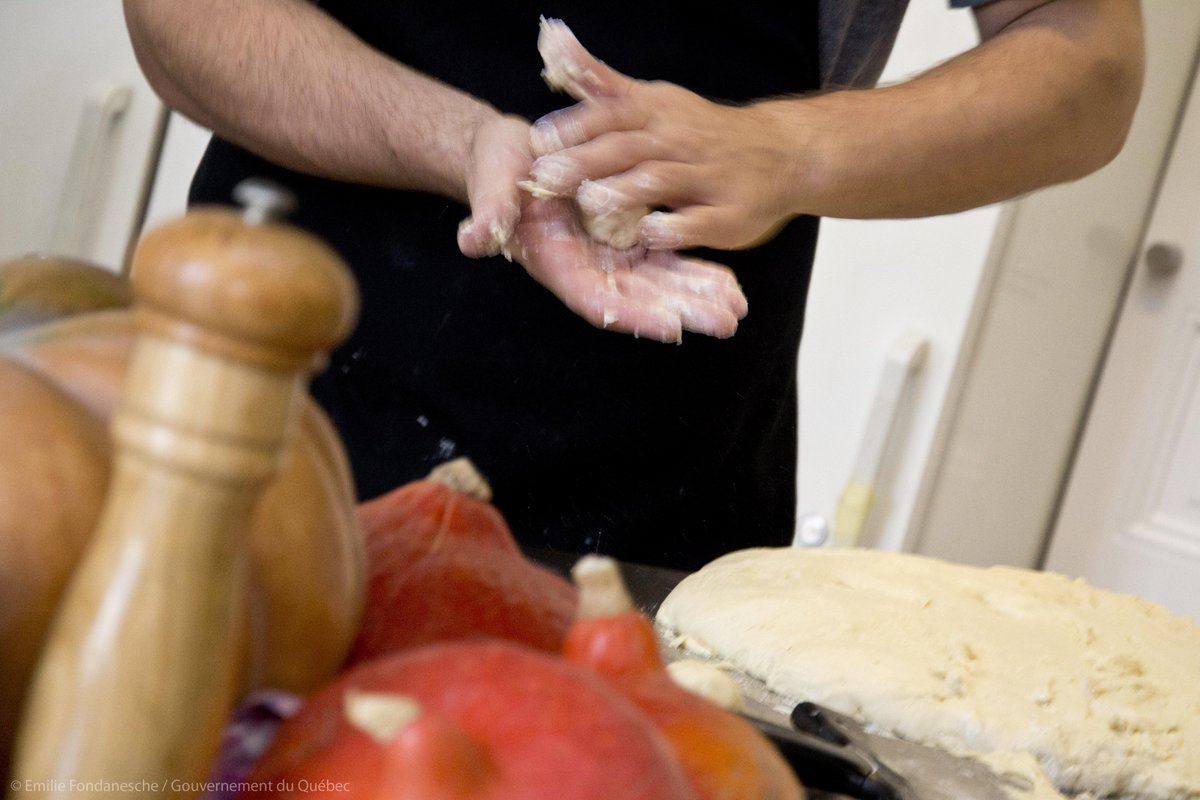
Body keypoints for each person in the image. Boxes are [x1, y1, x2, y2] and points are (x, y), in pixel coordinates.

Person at [122, 1, 1143, 571]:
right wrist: (460, 142)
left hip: (644, 510)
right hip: (243, 424)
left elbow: (1090, 56)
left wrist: (786, 148)